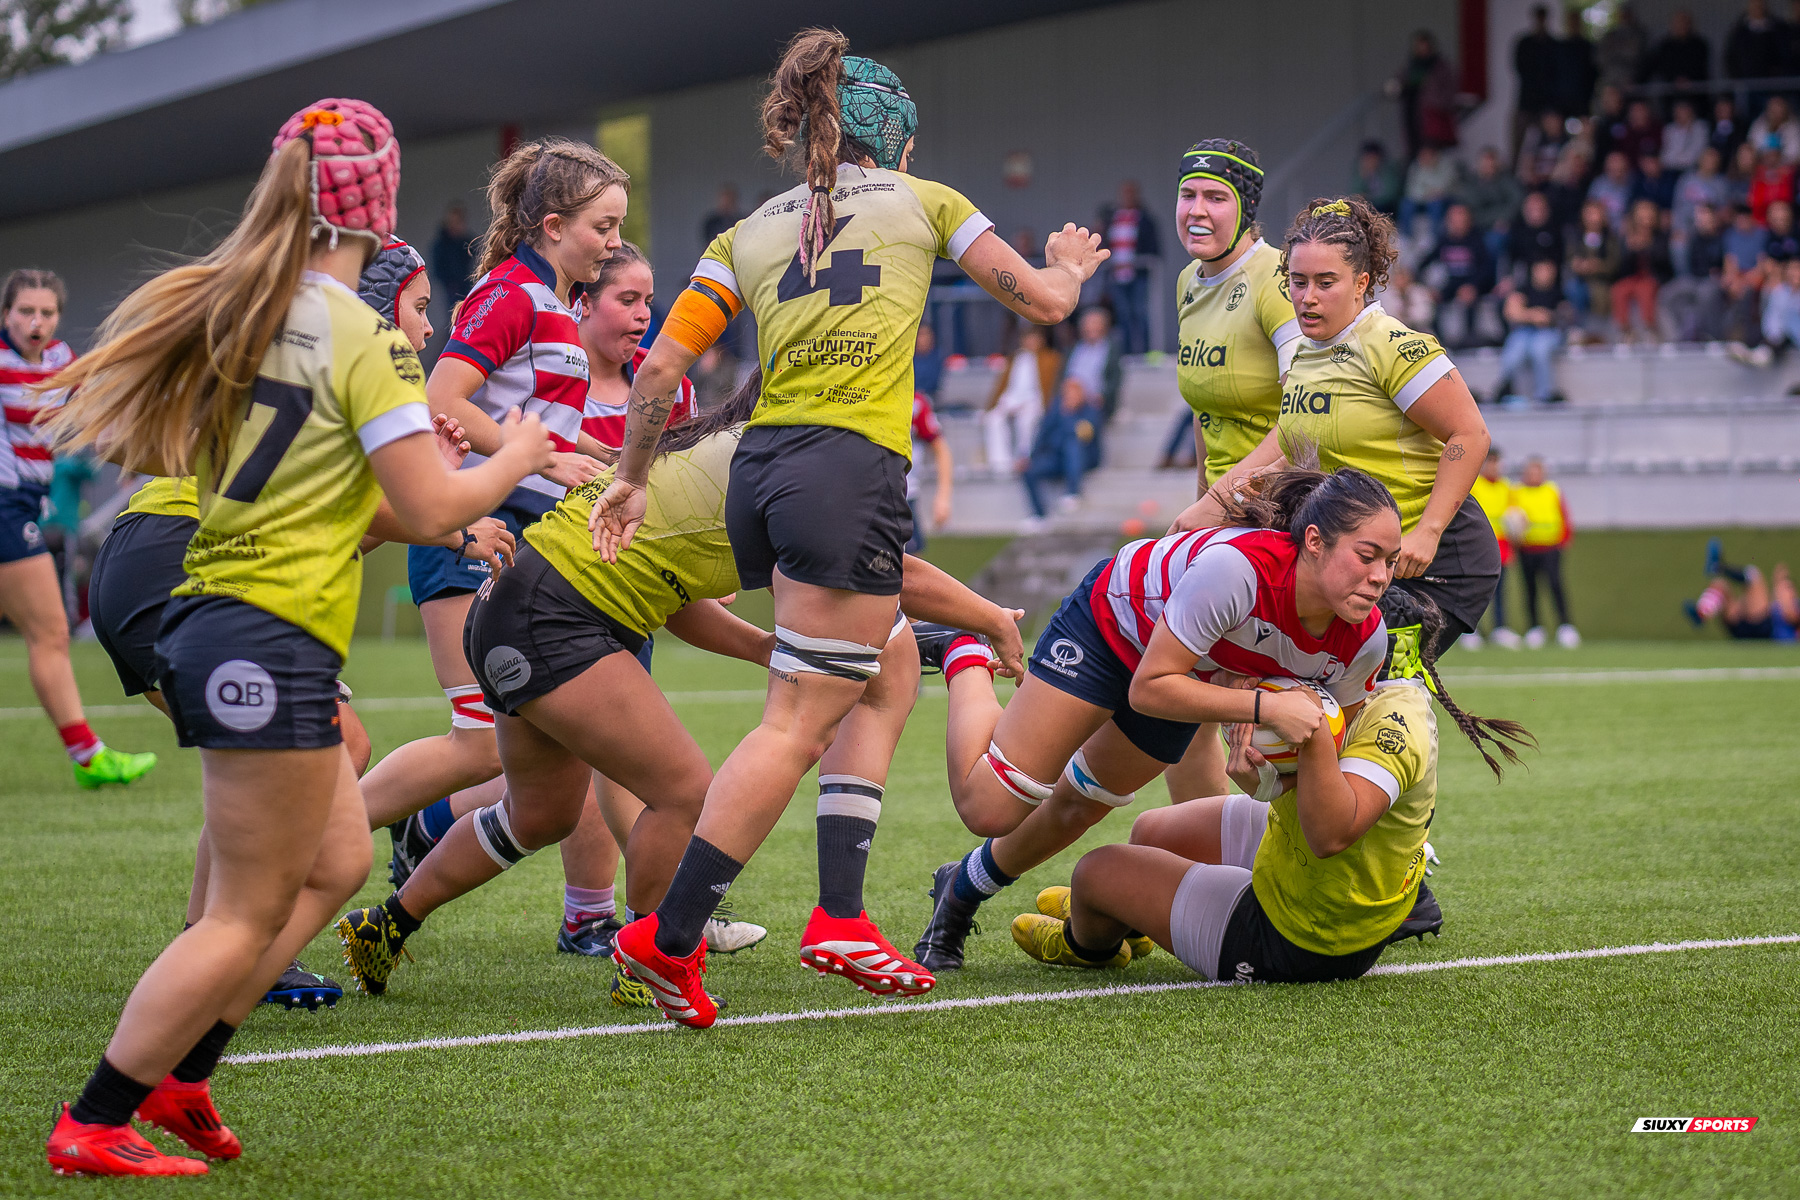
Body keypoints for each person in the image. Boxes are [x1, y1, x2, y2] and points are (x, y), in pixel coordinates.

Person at [40, 98, 554, 1177]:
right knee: (241, 913)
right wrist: (515, 458)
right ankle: (98, 1116)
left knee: (339, 858)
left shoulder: (244, 312)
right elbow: (428, 506)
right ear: (379, 203)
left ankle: (185, 1079)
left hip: (233, 619)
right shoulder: (359, 335)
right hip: (258, 634)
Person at [590, 29, 1107, 1025]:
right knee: (795, 722)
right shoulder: (925, 199)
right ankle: (668, 938)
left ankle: (840, 915)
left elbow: (658, 372)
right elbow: (1045, 304)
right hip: (845, 469)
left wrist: (630, 477)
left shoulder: (747, 230)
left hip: (762, 472)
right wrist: (1068, 265)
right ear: (899, 141)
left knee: (889, 664)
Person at [83, 237, 513, 1017]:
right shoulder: (363, 355)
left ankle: (212, 947)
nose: (428, 329)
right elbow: (392, 511)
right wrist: (461, 523)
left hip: (144, 561)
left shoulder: (312, 352)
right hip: (181, 564)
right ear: (379, 308)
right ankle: (235, 955)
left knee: (269, 765)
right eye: (420, 309)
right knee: (333, 755)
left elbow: (338, 530)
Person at [911, 467, 1398, 972]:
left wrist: (1266, 778)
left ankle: (960, 890)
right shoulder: (1239, 570)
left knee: (1081, 805)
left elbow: (1322, 768)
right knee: (989, 807)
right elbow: (1149, 689)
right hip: (1112, 627)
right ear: (1314, 542)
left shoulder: (1365, 642)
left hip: (1188, 670)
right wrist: (1264, 707)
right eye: (1366, 556)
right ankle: (963, 650)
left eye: (1390, 561)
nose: (1380, 577)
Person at [1009, 587, 1532, 982]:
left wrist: (1310, 736)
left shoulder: (1397, 722)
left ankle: (1090, 946)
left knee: (1096, 872)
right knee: (1151, 832)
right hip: (1306, 867)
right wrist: (1266, 780)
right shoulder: (1358, 688)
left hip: (1308, 934)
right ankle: (1127, 918)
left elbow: (1331, 834)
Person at [362, 137, 625, 901]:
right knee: (480, 742)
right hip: (473, 530)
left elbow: (536, 425)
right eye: (603, 227)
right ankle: (318, 834)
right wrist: (539, 457)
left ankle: (593, 912)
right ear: (552, 226)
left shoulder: (555, 304)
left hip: (518, 536)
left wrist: (609, 461)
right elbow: (443, 400)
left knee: (542, 751)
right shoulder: (511, 293)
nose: (614, 244)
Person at [1188, 196, 1500, 653]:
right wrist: (1217, 505)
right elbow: (1290, 449)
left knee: (1358, 684)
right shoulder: (1303, 355)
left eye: (1325, 282)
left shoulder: (1391, 344)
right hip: (1368, 559)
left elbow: (1471, 435)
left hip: (1438, 562)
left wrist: (1428, 532)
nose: (1308, 296)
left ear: (1361, 283)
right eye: (1297, 282)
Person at [1166, 138, 1299, 803]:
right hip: (1224, 520)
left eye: (1215, 198)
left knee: (1251, 718)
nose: (1197, 210)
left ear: (1246, 209)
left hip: (1287, 515)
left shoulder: (1280, 280)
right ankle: (1204, 847)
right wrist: (1201, 504)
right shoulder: (1189, 282)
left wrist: (1216, 503)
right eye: (1187, 194)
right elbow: (1205, 413)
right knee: (1178, 696)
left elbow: (1307, 418)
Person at [0, 269, 157, 790]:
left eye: (46, 312)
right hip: (6, 508)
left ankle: (88, 755)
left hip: (26, 505)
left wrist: (131, 451)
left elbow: (93, 411)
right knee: (49, 631)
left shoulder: (60, 359)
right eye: (26, 311)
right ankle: (89, 757)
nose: (36, 321)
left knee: (48, 633)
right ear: (6, 315)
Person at [1506, 456, 1578, 648]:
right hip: (1527, 548)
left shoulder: (1552, 490)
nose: (1533, 476)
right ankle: (1535, 628)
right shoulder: (1516, 491)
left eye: (1536, 472)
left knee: (1555, 585)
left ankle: (1565, 626)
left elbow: (1564, 514)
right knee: (1530, 588)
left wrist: (1565, 539)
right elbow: (1511, 517)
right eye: (1529, 472)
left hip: (1550, 548)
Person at [1021, 376, 1101, 525]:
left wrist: (1069, 416)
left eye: (1074, 393)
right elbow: (1043, 434)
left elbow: (1084, 434)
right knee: (1029, 470)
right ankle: (1039, 515)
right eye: (1067, 394)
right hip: (1056, 458)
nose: (1070, 397)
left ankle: (1073, 492)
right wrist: (1031, 458)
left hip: (1083, 459)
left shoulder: (1090, 410)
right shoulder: (1055, 410)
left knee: (1072, 444)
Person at [983, 324, 1059, 475]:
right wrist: (1000, 404)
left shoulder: (1050, 359)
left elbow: (1049, 388)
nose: (1030, 342)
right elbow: (1003, 386)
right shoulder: (1014, 359)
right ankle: (1001, 463)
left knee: (1026, 419)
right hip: (1012, 399)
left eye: (1034, 338)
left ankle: (1024, 459)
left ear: (1041, 340)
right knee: (993, 418)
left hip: (1034, 401)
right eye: (1027, 339)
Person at [1686, 539, 1798, 640]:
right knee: (1721, 584)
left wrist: (1779, 587)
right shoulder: (1777, 605)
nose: (1787, 590)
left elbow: (1792, 617)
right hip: (1742, 627)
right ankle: (1701, 613)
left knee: (1754, 576)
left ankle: (1719, 567)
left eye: (1789, 587)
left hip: (1763, 631)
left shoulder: (1793, 606)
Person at [1465, 449, 1520, 649]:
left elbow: (1513, 519)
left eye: (1496, 462)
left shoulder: (1507, 487)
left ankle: (1500, 628)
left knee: (1499, 592)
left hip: (1501, 549)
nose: (1493, 466)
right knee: (1474, 591)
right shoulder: (1474, 485)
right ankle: (1471, 630)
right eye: (1490, 462)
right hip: (1477, 547)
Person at [1099, 180, 1161, 354]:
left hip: (1138, 273)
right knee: (1123, 315)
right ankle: (1126, 354)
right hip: (1117, 275)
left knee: (1141, 313)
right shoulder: (1112, 217)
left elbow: (1154, 248)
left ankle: (1147, 353)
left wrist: (1134, 262)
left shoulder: (1145, 219)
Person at [1496, 258, 1569, 402]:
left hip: (1549, 332)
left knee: (1539, 349)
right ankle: (1506, 390)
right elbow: (1510, 312)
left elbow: (1565, 316)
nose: (1545, 273)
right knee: (1514, 351)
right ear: (1534, 270)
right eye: (1542, 269)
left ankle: (1545, 394)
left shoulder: (1559, 292)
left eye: (1549, 270)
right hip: (1525, 331)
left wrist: (1546, 316)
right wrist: (1534, 315)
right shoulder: (1524, 289)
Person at [1613, 198, 1673, 340]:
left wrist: (1647, 246)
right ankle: (1625, 331)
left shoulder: (1661, 236)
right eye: (1642, 214)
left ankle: (1649, 329)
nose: (1645, 218)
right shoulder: (1626, 237)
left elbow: (1663, 261)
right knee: (1619, 290)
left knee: (1645, 290)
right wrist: (1631, 249)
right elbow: (1621, 266)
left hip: (1652, 277)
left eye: (1648, 213)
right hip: (1632, 278)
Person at [1396, 29, 1458, 160]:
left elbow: (1449, 92)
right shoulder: (1411, 66)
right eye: (1419, 46)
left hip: (1432, 118)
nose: (1422, 50)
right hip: (1412, 115)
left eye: (1425, 46)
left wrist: (1435, 102)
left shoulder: (1440, 67)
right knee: (1414, 152)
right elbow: (1399, 83)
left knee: (1432, 153)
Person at [907, 388, 953, 553]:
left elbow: (941, 449)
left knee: (911, 561)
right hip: (870, 495)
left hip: (905, 496)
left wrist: (943, 498)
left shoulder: (915, 403)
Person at [1064, 303, 1123, 421]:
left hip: (1095, 402)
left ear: (1104, 326)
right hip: (1069, 399)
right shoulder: (1074, 349)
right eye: (1088, 324)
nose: (1091, 328)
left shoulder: (1110, 350)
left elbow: (1114, 380)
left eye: (1095, 323)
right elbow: (1064, 376)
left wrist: (1102, 396)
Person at [1513, 6, 1560, 151]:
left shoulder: (1553, 44)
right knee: (1518, 141)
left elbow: (1556, 72)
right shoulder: (1525, 43)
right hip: (1526, 101)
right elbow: (1519, 68)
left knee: (1548, 143)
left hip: (1546, 103)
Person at [1644, 10, 1711, 88]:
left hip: (1695, 90)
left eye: (1685, 22)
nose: (1682, 26)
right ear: (1672, 25)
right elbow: (1656, 66)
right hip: (1671, 90)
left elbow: (1699, 67)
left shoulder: (1700, 45)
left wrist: (1688, 80)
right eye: (1679, 23)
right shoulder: (1664, 46)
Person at [1551, 10, 1597, 119]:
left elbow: (1593, 73)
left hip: (1582, 99)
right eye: (1571, 22)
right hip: (1561, 101)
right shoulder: (1559, 47)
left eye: (1576, 22)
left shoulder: (1587, 47)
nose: (1573, 25)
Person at [430, 201, 476, 306]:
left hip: (469, 288)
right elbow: (437, 270)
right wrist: (450, 284)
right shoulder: (441, 246)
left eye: (459, 221)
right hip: (451, 292)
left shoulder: (469, 243)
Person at [1349, 140, 1402, 215]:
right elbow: (1355, 193)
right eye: (1367, 158)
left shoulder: (1388, 170)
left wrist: (1370, 198)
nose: (1370, 161)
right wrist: (1363, 177)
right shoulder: (1360, 171)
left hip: (1386, 205)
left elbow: (1391, 193)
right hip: (1368, 205)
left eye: (1373, 157)